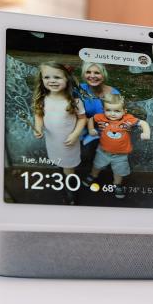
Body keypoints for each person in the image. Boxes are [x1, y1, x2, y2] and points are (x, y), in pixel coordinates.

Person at [32, 62, 86, 204]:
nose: (52, 81)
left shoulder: (74, 101)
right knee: (57, 159)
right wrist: (38, 128)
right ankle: (61, 173)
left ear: (67, 79)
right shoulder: (43, 99)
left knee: (69, 166)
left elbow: (82, 119)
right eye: (47, 77)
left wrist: (75, 135)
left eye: (57, 77)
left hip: (69, 141)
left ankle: (71, 189)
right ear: (42, 79)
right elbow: (38, 115)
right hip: (52, 140)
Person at [85, 94, 151, 199]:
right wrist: (91, 129)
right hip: (103, 151)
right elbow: (91, 119)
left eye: (117, 111)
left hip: (121, 155)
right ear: (103, 109)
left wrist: (146, 133)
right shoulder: (101, 117)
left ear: (124, 111)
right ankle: (93, 175)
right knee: (97, 165)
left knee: (119, 171)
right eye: (108, 110)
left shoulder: (127, 119)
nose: (112, 114)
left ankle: (117, 184)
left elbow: (143, 123)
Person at [78, 62, 121, 171]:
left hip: (103, 129)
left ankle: (94, 172)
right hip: (81, 126)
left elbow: (117, 117)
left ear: (103, 75)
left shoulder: (113, 93)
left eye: (97, 73)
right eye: (88, 72)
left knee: (91, 151)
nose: (92, 76)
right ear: (84, 74)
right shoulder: (79, 89)